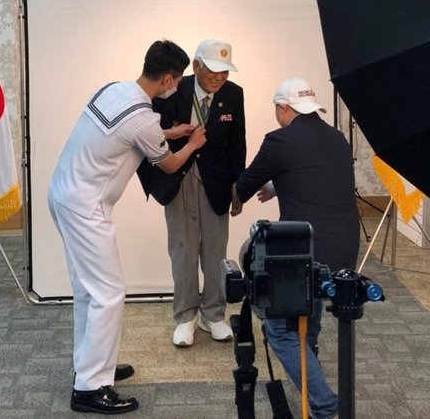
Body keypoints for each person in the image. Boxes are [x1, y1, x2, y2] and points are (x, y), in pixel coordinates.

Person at [47, 40, 206, 415]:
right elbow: (169, 165)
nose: (176, 86)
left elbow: (126, 134)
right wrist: (193, 143)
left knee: (88, 291)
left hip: (63, 193)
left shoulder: (114, 90)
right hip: (86, 208)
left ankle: (92, 366)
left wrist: (170, 133)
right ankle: (89, 389)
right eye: (177, 80)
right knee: (108, 292)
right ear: (167, 79)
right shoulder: (144, 118)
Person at [233, 77, 360, 419]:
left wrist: (234, 197)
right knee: (309, 315)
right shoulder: (336, 138)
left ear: (283, 108)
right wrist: (279, 184)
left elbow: (244, 185)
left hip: (305, 255)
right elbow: (316, 173)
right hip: (344, 250)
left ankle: (323, 404)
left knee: (280, 331)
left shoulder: (279, 141)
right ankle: (310, 361)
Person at [138, 39, 246, 347]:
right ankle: (186, 317)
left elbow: (237, 143)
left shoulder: (233, 93)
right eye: (213, 71)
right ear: (196, 66)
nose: (219, 78)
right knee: (182, 248)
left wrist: (238, 187)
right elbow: (151, 134)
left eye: (225, 72)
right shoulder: (172, 88)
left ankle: (214, 314)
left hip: (217, 182)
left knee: (215, 249)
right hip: (179, 177)